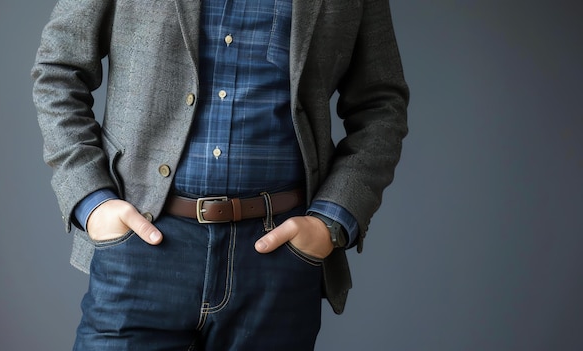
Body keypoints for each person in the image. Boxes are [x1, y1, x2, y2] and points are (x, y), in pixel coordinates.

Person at [32, 0, 408, 349]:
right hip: (141, 249)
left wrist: (331, 220)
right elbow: (60, 69)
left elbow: (381, 103)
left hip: (277, 263)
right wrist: (92, 201)